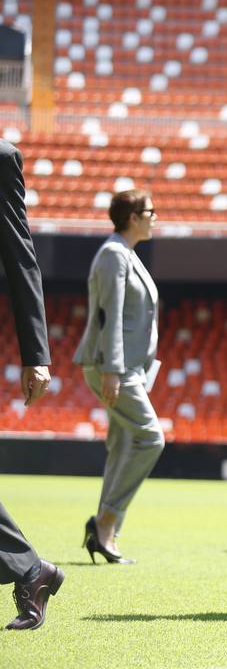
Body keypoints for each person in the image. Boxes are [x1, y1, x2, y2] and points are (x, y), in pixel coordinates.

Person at [73, 189, 164, 564]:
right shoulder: (114, 255)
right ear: (132, 217)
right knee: (150, 438)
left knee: (124, 442)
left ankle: (105, 532)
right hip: (114, 367)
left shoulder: (125, 254)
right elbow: (108, 316)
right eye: (150, 211)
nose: (155, 217)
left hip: (129, 368)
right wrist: (112, 370)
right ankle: (105, 520)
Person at [0, 138, 62, 631]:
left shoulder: (1, 157)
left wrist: (35, 354)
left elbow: (20, 255)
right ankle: (31, 569)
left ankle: (30, 568)